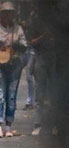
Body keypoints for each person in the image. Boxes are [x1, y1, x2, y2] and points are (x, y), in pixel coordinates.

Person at [0, 1, 26, 138]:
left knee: (11, 96)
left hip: (14, 65)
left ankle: (8, 125)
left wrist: (16, 45)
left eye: (9, 14)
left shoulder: (18, 29)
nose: (6, 16)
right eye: (4, 13)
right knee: (0, 95)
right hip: (0, 64)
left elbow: (24, 45)